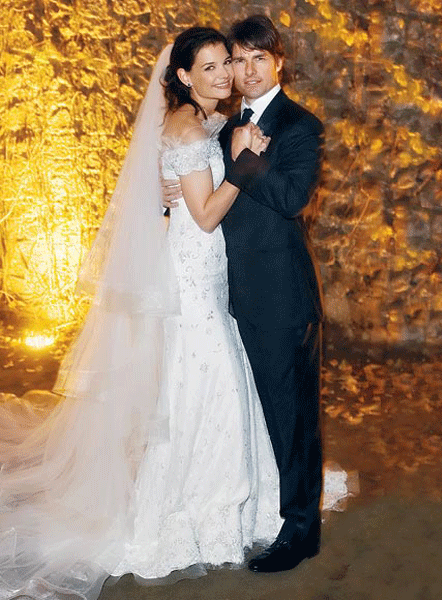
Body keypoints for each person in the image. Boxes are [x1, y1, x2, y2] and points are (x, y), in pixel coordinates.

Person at [0, 27, 283, 600]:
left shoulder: (201, 120)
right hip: (193, 268)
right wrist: (242, 164)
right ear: (182, 76)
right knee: (211, 378)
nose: (223, 75)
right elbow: (205, 215)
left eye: (225, 63)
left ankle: (228, 502)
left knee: (205, 375)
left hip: (203, 266)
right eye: (208, 67)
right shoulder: (188, 126)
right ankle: (190, 511)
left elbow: (173, 182)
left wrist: (169, 184)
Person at [164, 15, 325, 573]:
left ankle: (301, 531)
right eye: (238, 59)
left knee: (292, 416)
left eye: (260, 58)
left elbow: (291, 198)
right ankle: (262, 509)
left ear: (278, 62)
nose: (247, 70)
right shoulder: (221, 122)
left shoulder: (300, 126)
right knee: (253, 412)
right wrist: (169, 189)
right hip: (224, 293)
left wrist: (244, 159)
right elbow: (197, 185)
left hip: (279, 294)